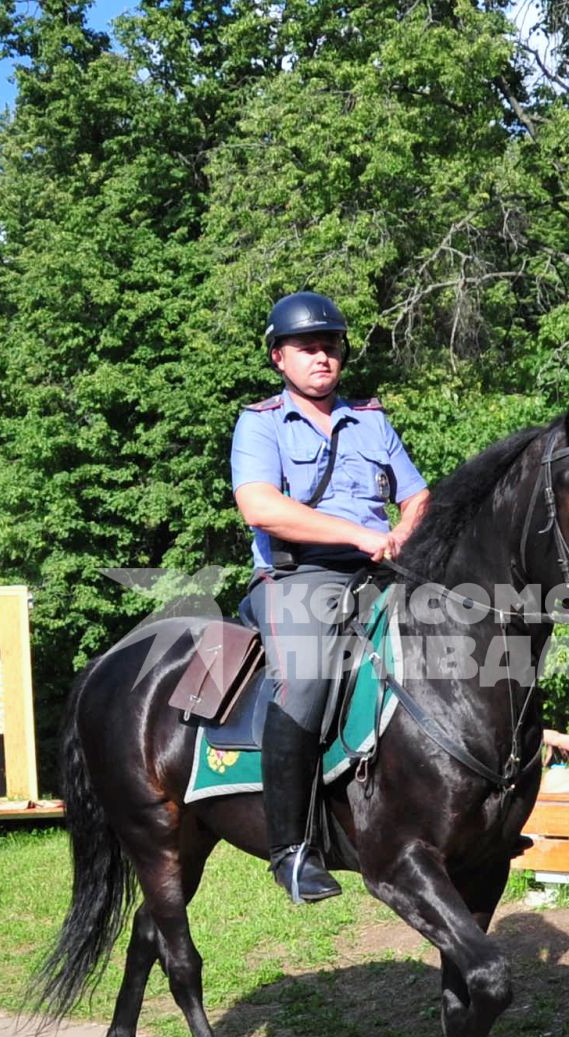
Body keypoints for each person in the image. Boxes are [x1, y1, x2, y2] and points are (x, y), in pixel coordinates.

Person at [232, 291, 431, 902]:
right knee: (309, 679)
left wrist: (404, 531)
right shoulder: (261, 423)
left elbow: (417, 495)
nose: (322, 357)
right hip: (298, 579)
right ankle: (292, 852)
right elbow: (260, 506)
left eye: (331, 346)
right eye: (307, 348)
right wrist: (360, 534)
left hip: (382, 571)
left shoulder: (372, 420)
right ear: (279, 358)